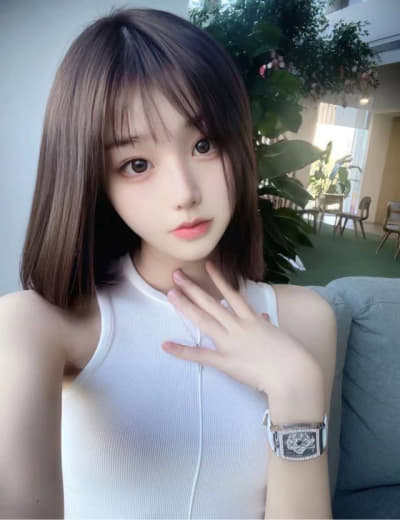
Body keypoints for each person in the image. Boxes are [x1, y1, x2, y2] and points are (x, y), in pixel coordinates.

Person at [0, 7, 336, 519]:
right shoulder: (39, 327)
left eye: (205, 144)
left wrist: (296, 389)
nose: (185, 192)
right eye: (136, 164)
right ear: (93, 178)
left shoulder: (305, 320)